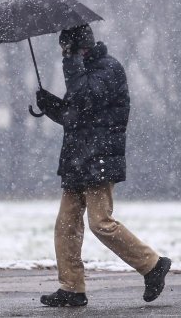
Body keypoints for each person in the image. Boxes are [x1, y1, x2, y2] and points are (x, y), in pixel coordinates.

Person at [35, 23, 171, 307]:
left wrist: (71, 65)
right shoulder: (82, 72)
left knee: (100, 223)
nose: (64, 54)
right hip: (77, 159)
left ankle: (153, 264)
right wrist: (51, 106)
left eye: (67, 48)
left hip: (99, 158)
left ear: (81, 45)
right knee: (66, 224)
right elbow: (76, 116)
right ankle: (72, 288)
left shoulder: (108, 69)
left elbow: (86, 98)